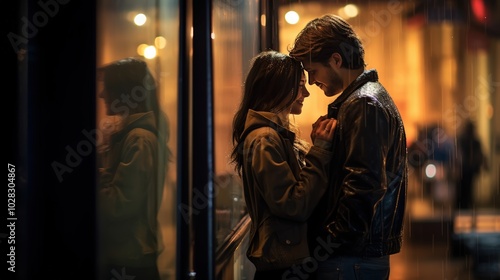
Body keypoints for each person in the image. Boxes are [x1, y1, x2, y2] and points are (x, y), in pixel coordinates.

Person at [289, 14, 408, 279]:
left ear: (336, 60)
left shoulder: (363, 104)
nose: (310, 81)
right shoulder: (366, 99)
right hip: (356, 256)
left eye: (313, 71)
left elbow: (364, 185)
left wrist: (327, 243)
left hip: (351, 258)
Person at [230, 50, 337, 279]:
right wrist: (320, 150)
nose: (306, 93)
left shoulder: (274, 135)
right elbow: (293, 205)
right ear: (276, 88)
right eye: (299, 86)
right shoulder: (264, 138)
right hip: (283, 267)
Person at [96, 57, 171, 280]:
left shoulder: (138, 139)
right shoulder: (134, 136)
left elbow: (119, 205)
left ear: (123, 92)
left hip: (128, 260)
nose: (101, 95)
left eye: (106, 88)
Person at [455, 120, 486, 210]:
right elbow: (479, 154)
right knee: (467, 187)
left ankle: (463, 204)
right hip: (468, 168)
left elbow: (478, 154)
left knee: (465, 187)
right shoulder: (472, 140)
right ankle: (465, 204)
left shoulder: (465, 139)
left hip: (466, 168)